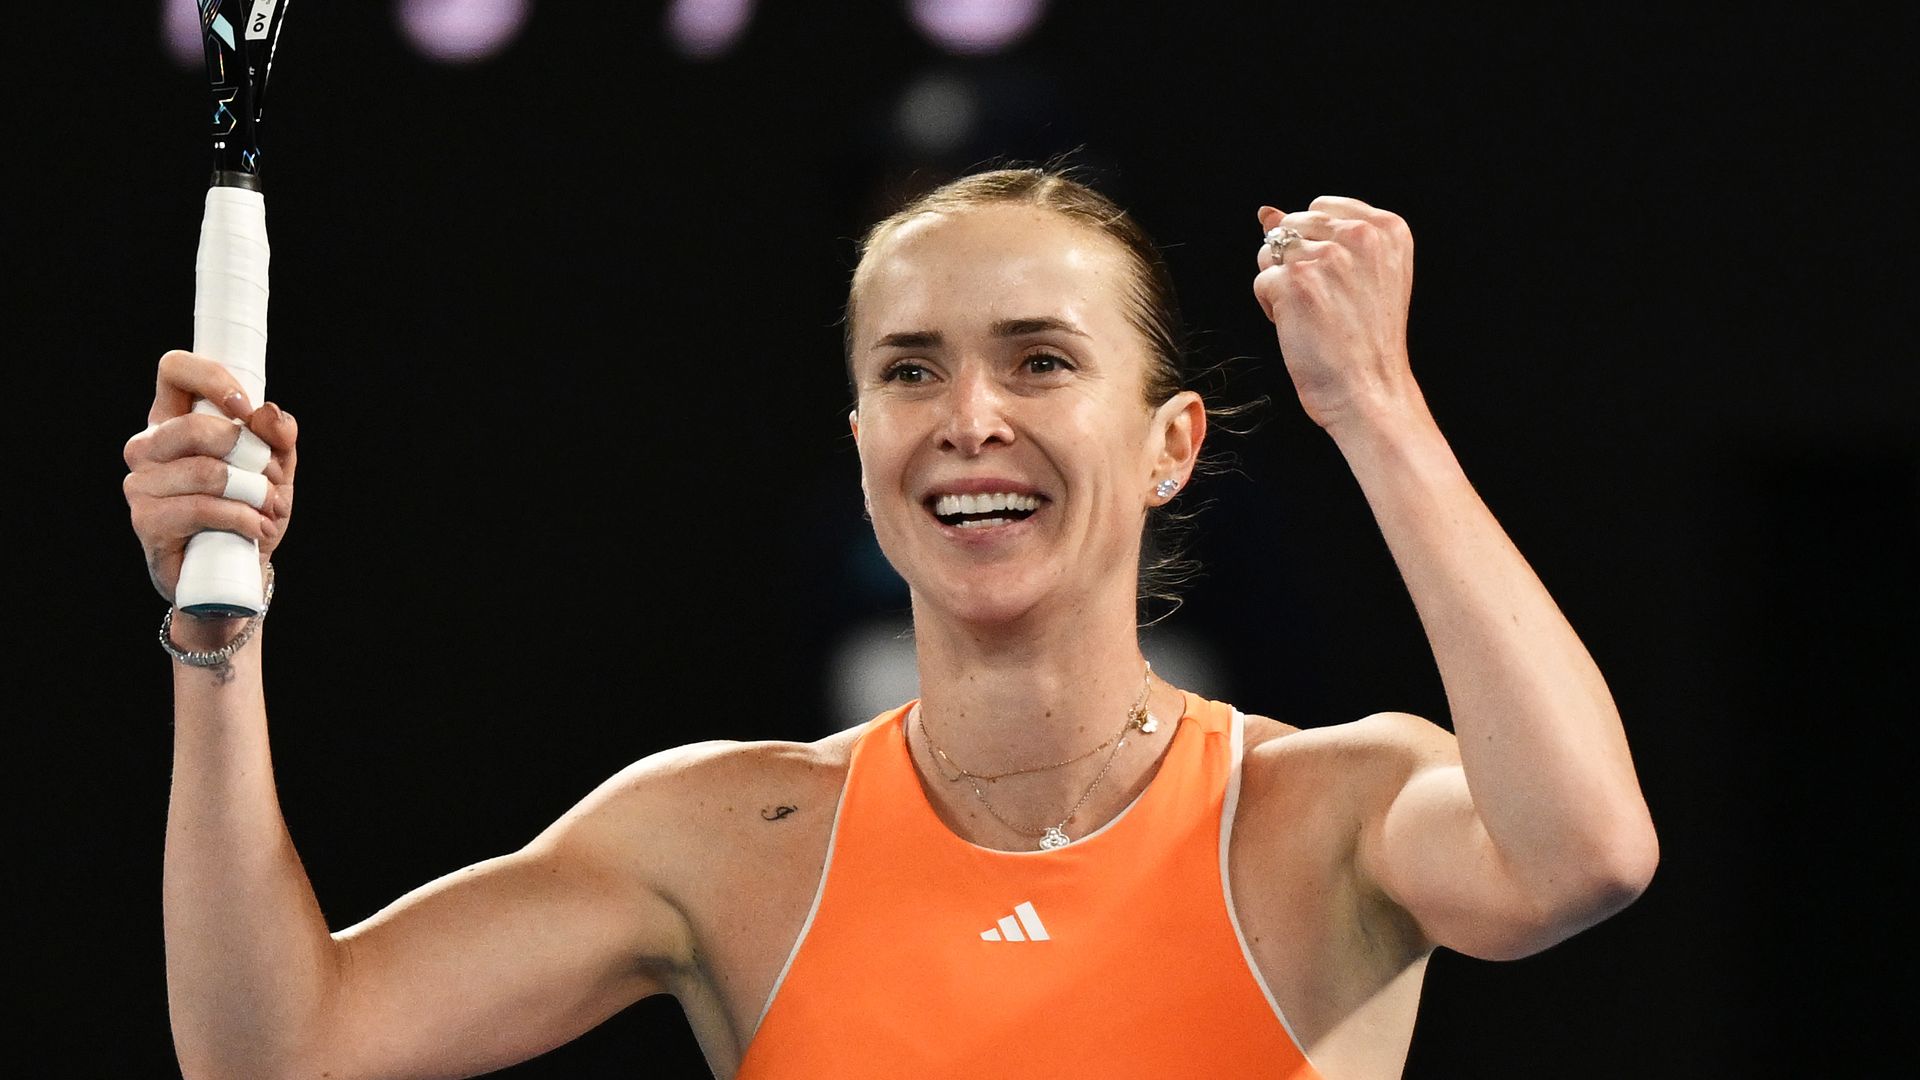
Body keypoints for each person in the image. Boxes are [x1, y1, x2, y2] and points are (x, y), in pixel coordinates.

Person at [123, 166, 1658, 1079]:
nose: (969, 418)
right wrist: (218, 632)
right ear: (861, 439)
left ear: (1172, 444)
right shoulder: (726, 838)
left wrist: (1372, 406)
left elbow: (1583, 854)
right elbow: (276, 1053)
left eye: (1041, 360)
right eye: (911, 370)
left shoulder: (1331, 810)